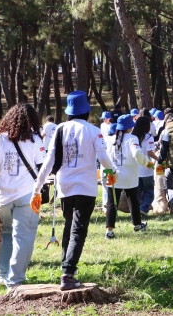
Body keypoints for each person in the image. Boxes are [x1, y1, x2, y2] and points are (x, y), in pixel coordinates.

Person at [33, 90, 117, 291]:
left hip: (65, 187)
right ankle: (68, 273)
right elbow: (103, 157)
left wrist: (36, 188)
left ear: (69, 111)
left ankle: (66, 267)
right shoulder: (92, 130)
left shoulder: (60, 129)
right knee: (78, 230)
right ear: (86, 111)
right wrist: (112, 172)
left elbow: (49, 162)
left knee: (69, 226)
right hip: (86, 187)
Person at [0, 104, 41, 292]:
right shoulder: (36, 140)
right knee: (24, 237)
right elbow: (44, 167)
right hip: (27, 194)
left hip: (2, 197)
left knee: (6, 234)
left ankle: (2, 275)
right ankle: (14, 280)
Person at [105, 114, 148, 238]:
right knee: (133, 201)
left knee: (112, 203)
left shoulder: (111, 139)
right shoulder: (132, 139)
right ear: (130, 127)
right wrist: (145, 162)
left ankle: (109, 231)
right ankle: (137, 225)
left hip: (113, 175)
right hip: (130, 176)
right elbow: (137, 155)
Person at [133, 116, 157, 217]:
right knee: (149, 190)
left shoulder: (132, 136)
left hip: (135, 169)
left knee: (137, 191)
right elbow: (150, 152)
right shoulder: (148, 137)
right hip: (147, 167)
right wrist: (158, 159)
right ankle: (143, 208)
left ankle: (136, 209)